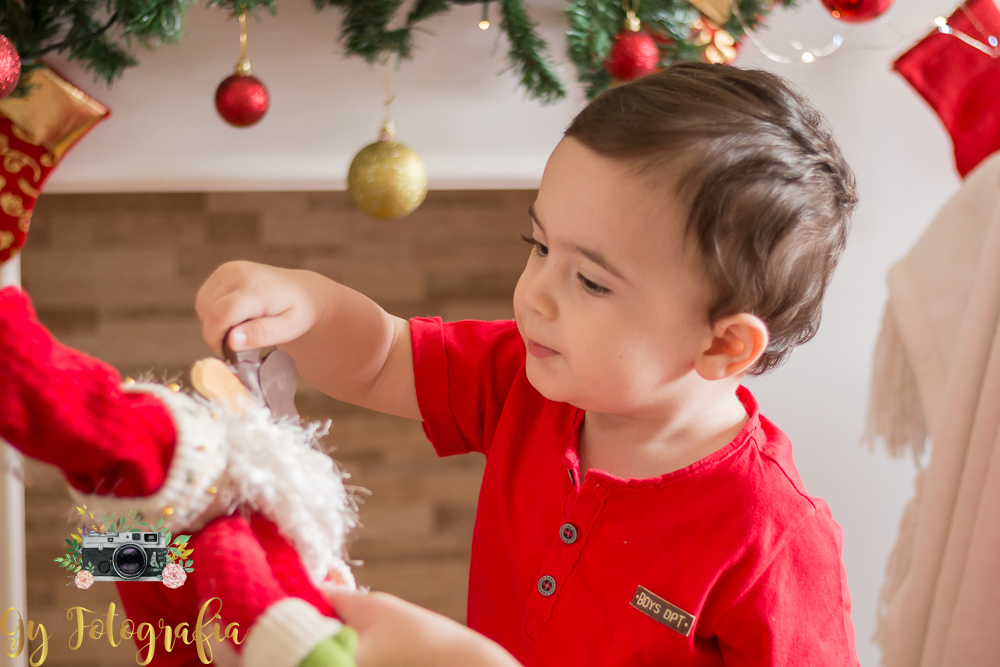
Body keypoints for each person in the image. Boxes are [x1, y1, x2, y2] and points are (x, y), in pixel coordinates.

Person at [197, 62, 860, 666]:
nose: (534, 294)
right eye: (539, 245)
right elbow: (383, 358)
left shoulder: (772, 536)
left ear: (722, 345)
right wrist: (309, 303)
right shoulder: (529, 377)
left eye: (591, 281)